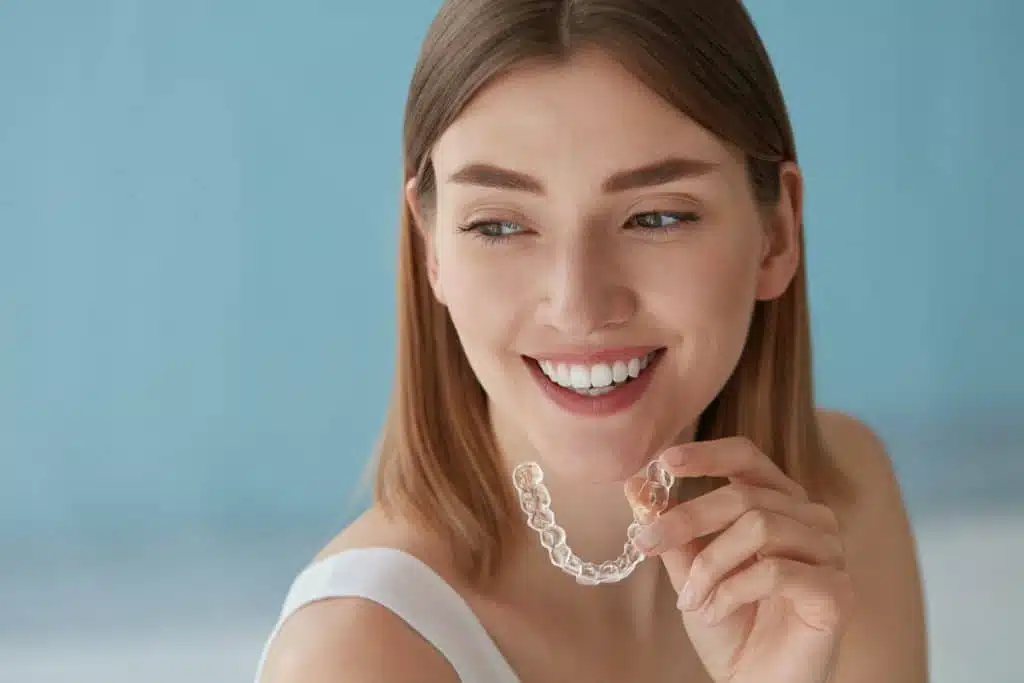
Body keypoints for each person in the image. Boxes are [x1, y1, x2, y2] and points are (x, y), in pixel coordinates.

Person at [256, 1, 927, 681]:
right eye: (499, 225)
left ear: (777, 233)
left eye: (656, 216)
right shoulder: (350, 655)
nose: (578, 306)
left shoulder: (837, 510)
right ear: (432, 251)